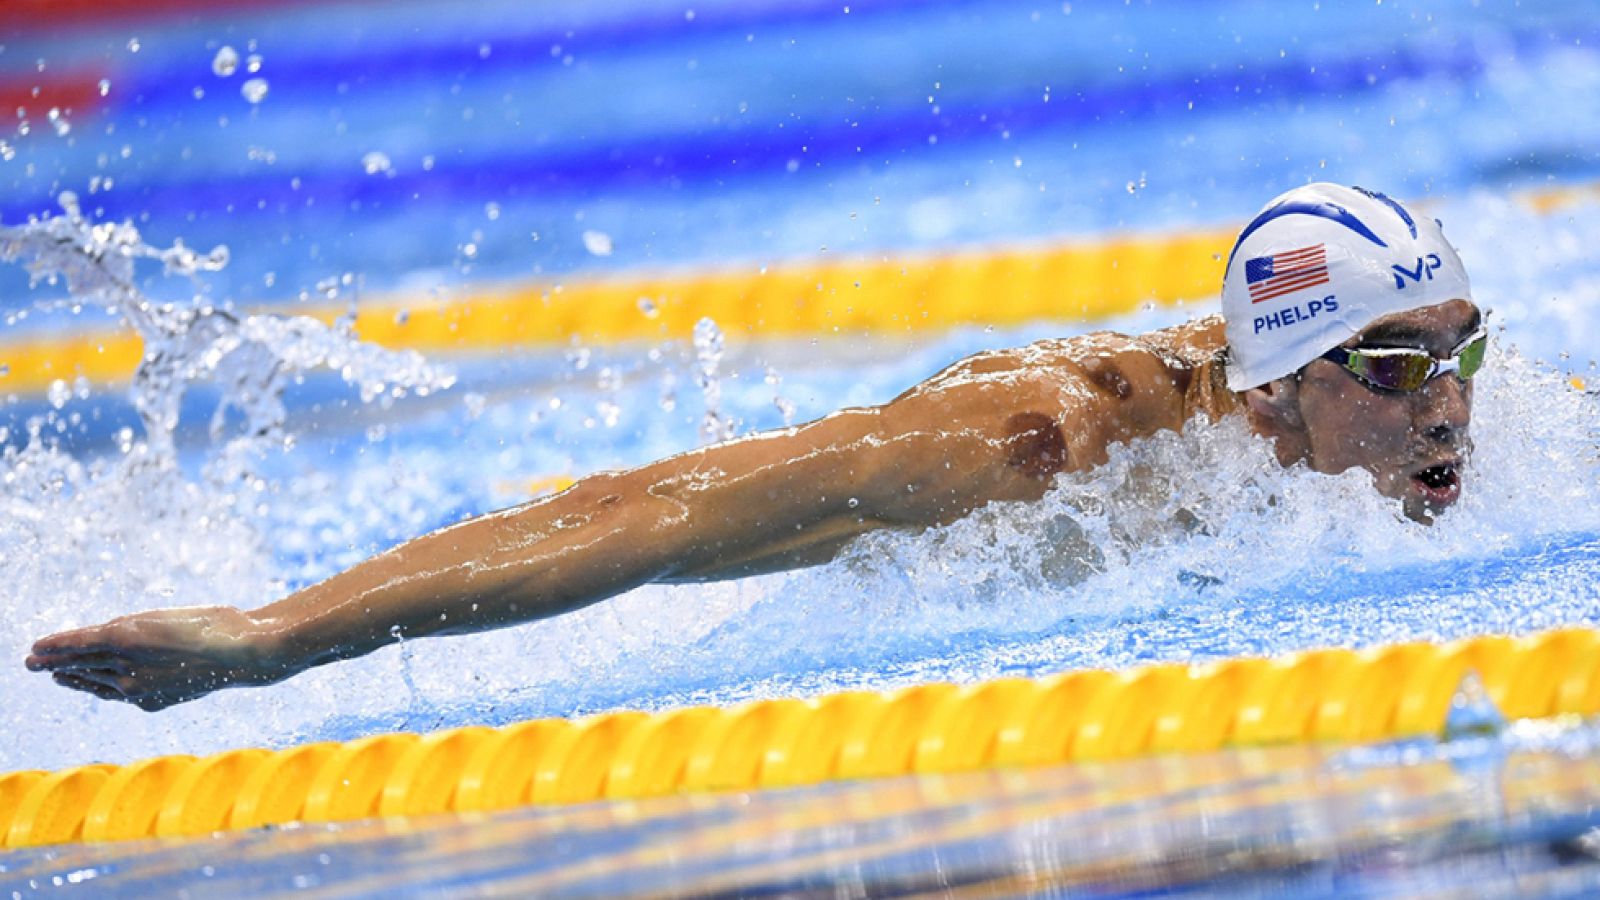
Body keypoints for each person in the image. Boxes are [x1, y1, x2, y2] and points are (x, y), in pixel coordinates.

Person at [27, 183, 1486, 711]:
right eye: (1398, 364)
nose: (1448, 407)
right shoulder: (1040, 447)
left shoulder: (1429, 421)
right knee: (688, 556)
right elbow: (645, 505)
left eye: (1461, 352)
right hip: (931, 493)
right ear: (1279, 388)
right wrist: (275, 638)